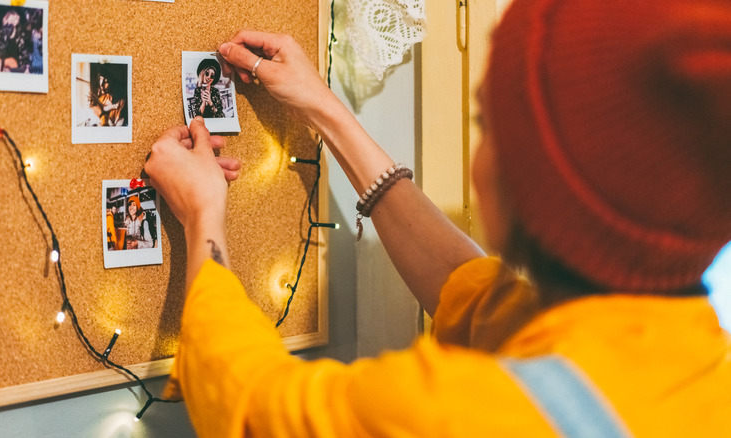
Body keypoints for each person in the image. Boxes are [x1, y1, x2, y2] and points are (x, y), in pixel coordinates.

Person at [144, 0, 731, 435]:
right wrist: (325, 106)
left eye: (488, 126)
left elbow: (251, 409)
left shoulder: (453, 415)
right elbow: (470, 292)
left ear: (538, 181)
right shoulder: (702, 372)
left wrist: (203, 214)